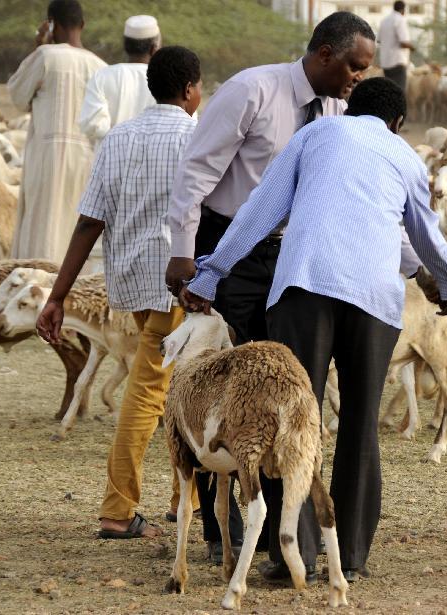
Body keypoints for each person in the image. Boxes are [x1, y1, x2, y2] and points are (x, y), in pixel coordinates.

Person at [181, 76, 447, 583]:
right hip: (374, 300)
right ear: (398, 122)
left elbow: (260, 211)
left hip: (303, 289)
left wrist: (210, 273)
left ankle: (292, 553)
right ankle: (352, 555)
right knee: (360, 421)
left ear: (347, 107)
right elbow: (425, 232)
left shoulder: (314, 135)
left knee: (290, 419)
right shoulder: (403, 155)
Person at [165, 11, 376, 565]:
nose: (358, 77)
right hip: (228, 245)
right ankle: (220, 532)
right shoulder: (253, 90)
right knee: (222, 376)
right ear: (325, 54)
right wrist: (184, 253)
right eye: (355, 66)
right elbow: (196, 171)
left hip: (291, 253)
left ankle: (276, 524)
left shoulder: (336, 112)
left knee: (276, 382)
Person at [35, 46, 203, 539]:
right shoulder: (197, 137)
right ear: (192, 90)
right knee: (153, 389)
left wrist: (57, 295)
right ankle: (118, 509)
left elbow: (89, 221)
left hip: (133, 284)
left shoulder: (118, 137)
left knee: (169, 387)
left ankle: (183, 498)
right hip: (182, 287)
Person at [7, 0, 106, 262]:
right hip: (86, 161)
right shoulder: (101, 67)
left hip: (47, 159)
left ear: (51, 23)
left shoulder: (45, 56)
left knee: (43, 228)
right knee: (75, 226)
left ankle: (37, 285)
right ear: (82, 25)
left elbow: (17, 96)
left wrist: (39, 44)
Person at [78, 15, 161, 151]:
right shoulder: (167, 78)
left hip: (110, 166)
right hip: (154, 166)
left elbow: (91, 124)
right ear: (154, 48)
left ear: (125, 46)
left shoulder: (102, 76)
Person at [378, 1, 414, 92]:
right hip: (397, 62)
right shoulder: (400, 20)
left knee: (390, 90)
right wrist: (413, 48)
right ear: (403, 9)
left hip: (386, 63)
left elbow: (379, 40)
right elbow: (403, 42)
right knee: (399, 92)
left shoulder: (384, 21)